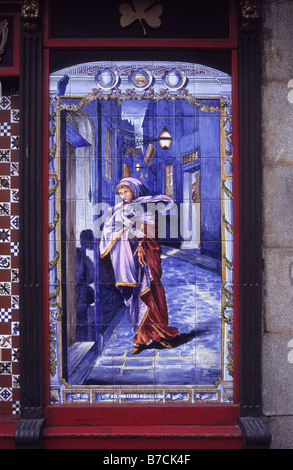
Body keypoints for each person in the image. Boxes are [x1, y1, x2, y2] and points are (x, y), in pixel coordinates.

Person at [99, 177, 179, 355]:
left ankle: (160, 335)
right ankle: (140, 338)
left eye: (126, 191)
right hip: (128, 259)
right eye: (120, 193)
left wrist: (142, 244)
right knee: (135, 297)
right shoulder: (119, 209)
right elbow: (109, 228)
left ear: (134, 189)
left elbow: (151, 230)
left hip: (145, 259)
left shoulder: (145, 207)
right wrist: (125, 232)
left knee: (151, 293)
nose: (123, 195)